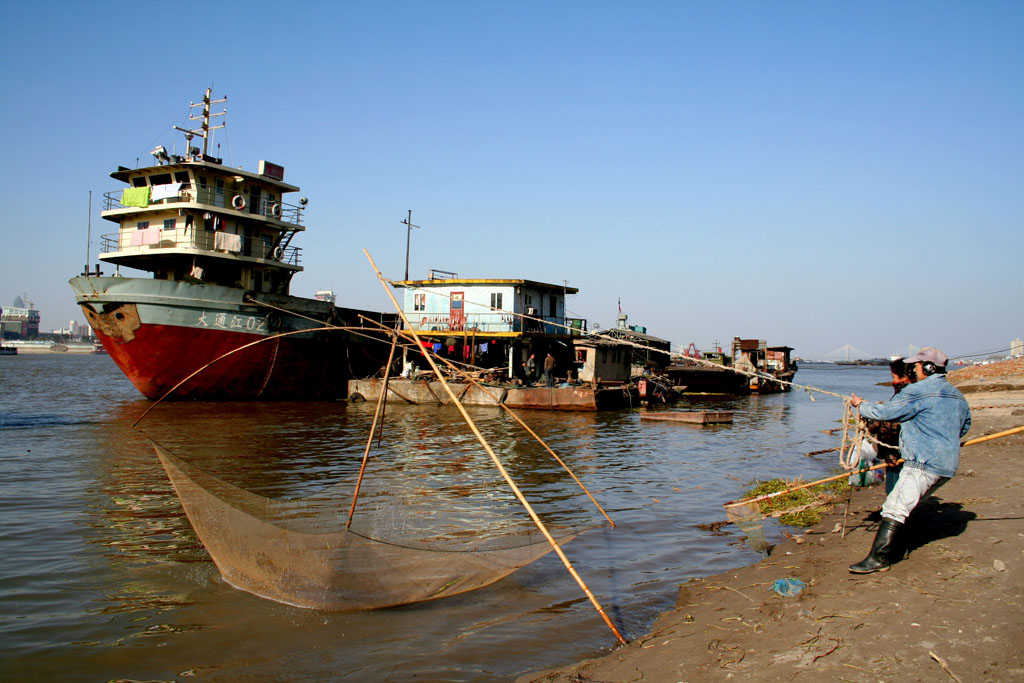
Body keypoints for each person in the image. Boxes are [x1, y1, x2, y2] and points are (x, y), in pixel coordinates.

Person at [848, 347, 971, 574]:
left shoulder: (918, 391)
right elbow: (964, 427)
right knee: (905, 505)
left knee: (894, 508)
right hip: (947, 465)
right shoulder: (957, 395)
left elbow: (886, 413)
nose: (911, 372)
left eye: (914, 367)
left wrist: (860, 406)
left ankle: (879, 559)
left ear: (928, 367)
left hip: (922, 462)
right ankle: (897, 548)